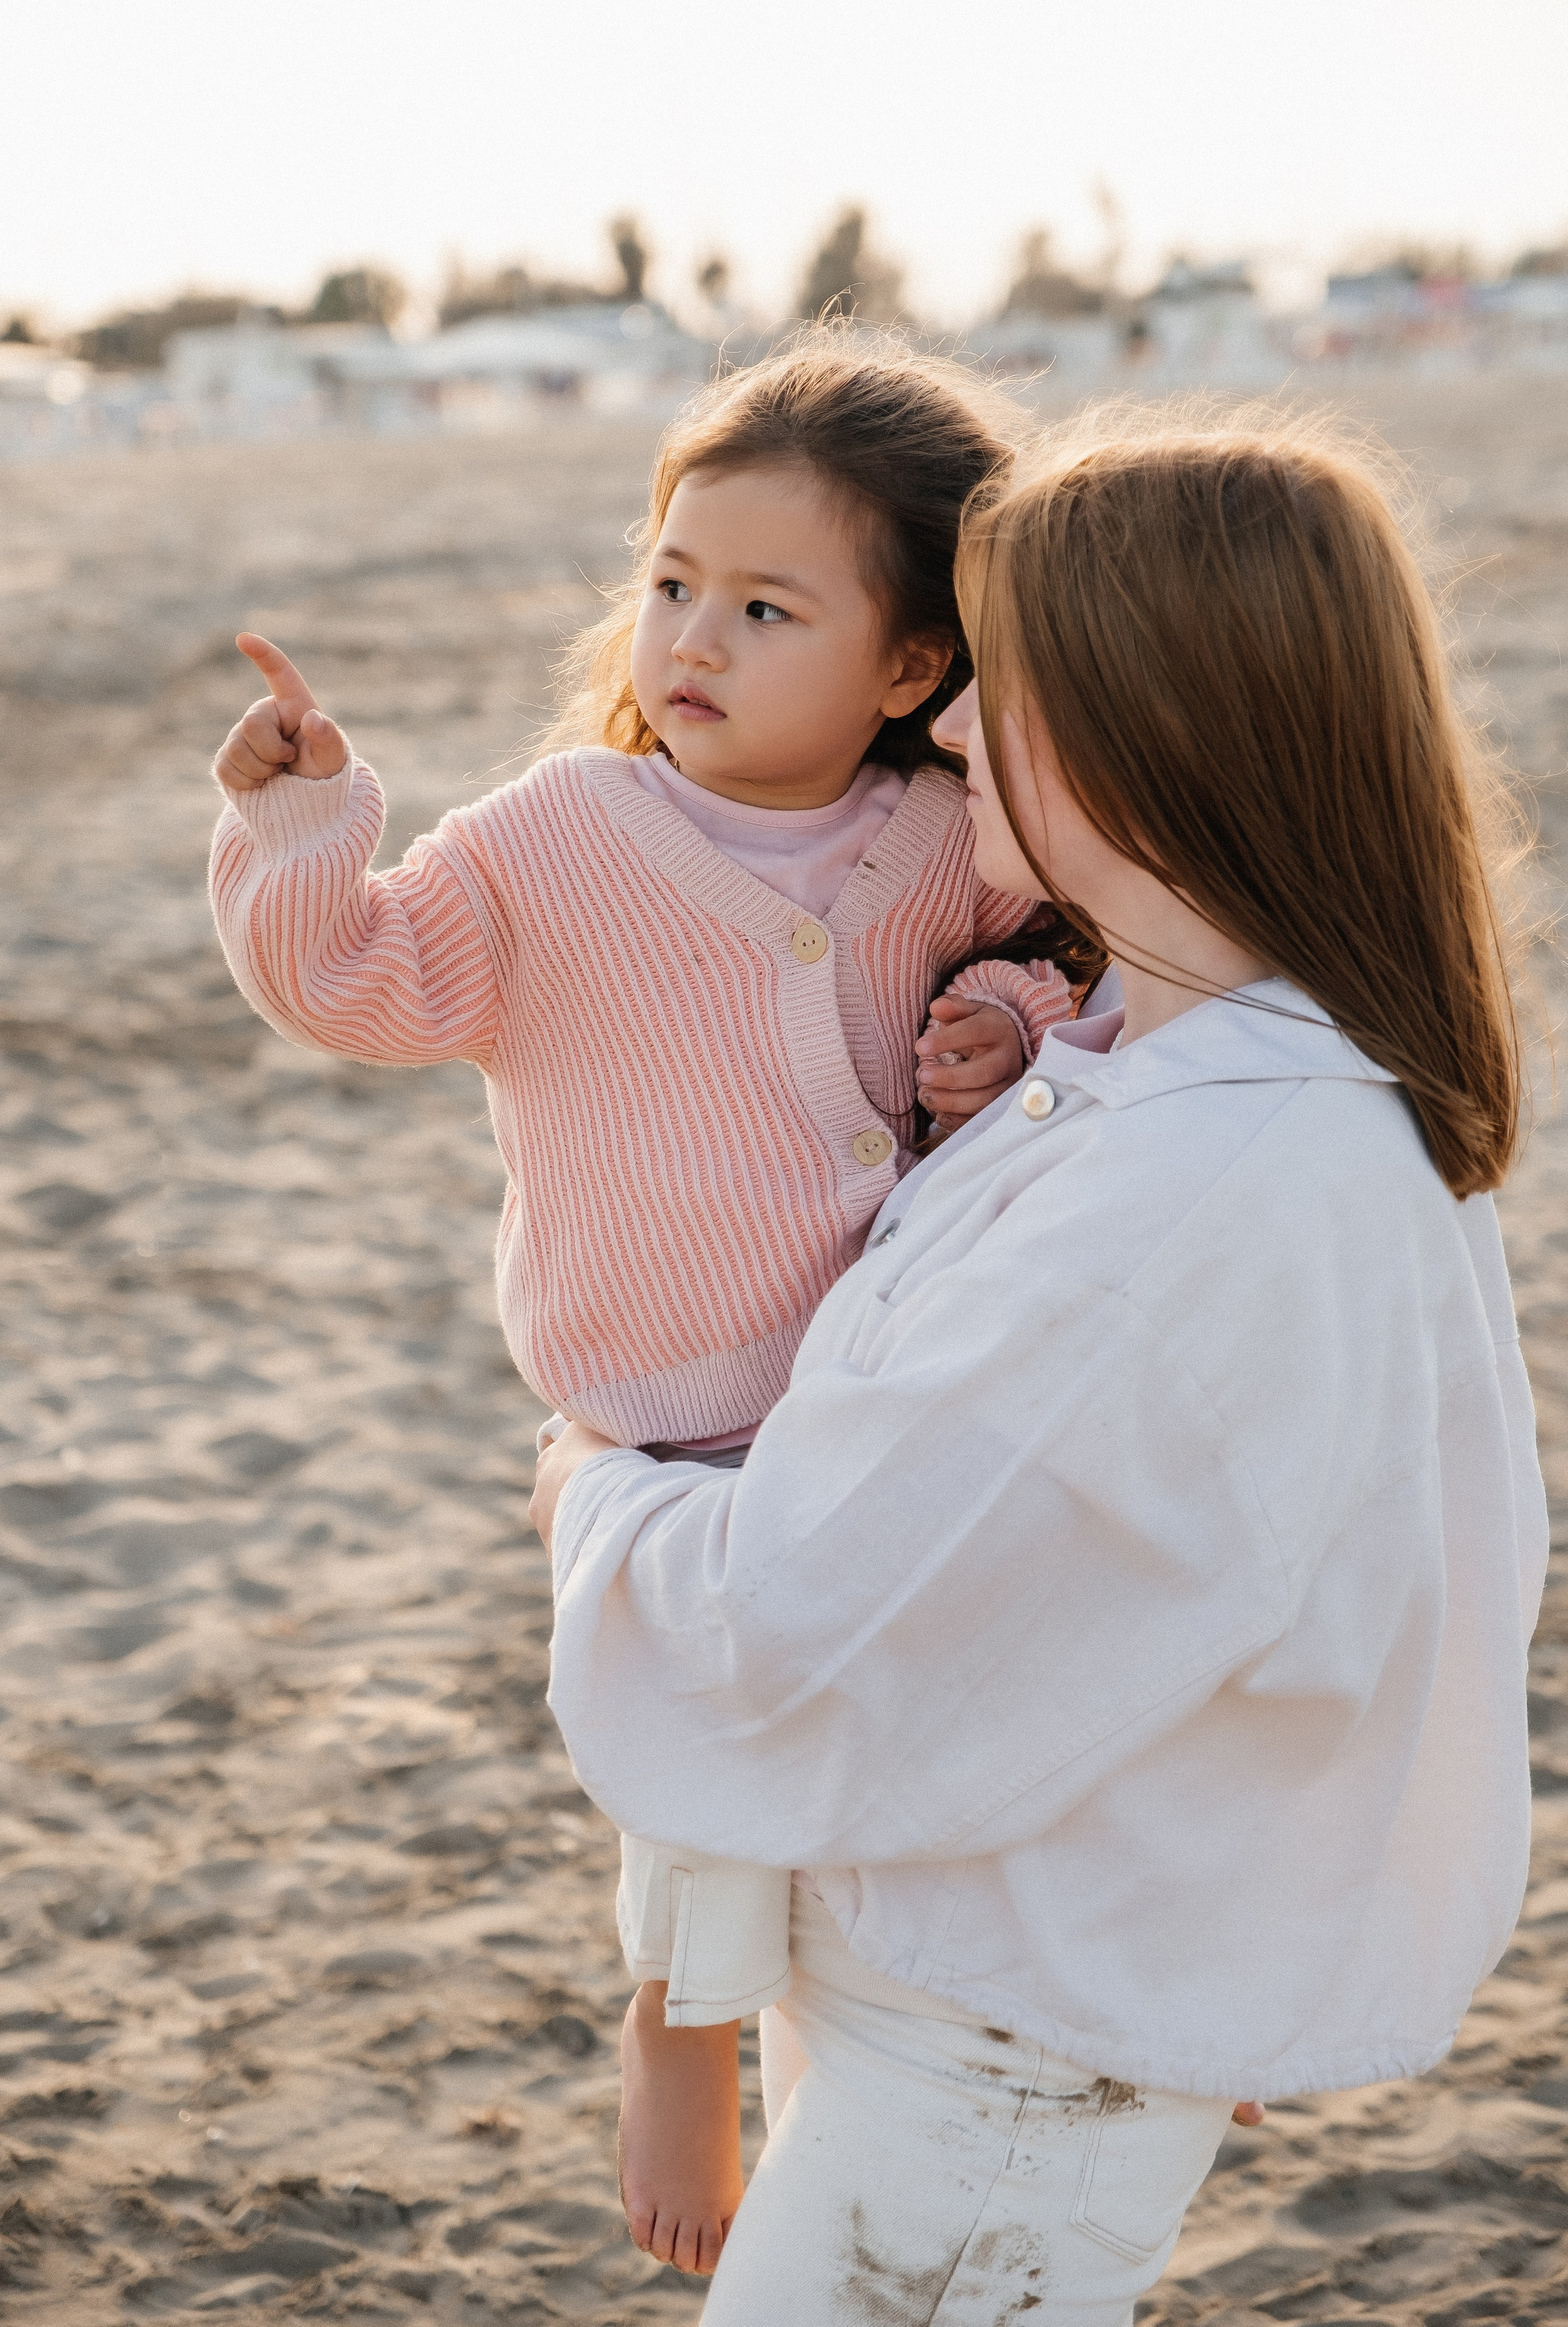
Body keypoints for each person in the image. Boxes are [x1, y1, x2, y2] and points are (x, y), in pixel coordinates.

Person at [533, 406, 1548, 2325]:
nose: (948, 732)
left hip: (1001, 2070)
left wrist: (592, 1488)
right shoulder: (1191, 1064)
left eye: (997, 684)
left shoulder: (1213, 1173)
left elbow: (795, 1632)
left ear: (1134, 734)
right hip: (984, 1988)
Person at [207, 337, 1087, 2275]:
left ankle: (1104, 1976)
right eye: (673, 582)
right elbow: (364, 987)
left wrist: (1000, 1022)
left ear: (912, 670)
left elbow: (1075, 965)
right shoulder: (557, 839)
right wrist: (298, 826)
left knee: (1002, 1664)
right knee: (707, 1715)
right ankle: (681, 2025)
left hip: (900, 1375)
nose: (692, 633)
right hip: (672, 1404)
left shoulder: (939, 840)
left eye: (766, 608)